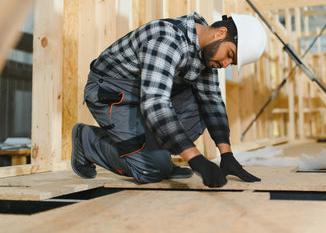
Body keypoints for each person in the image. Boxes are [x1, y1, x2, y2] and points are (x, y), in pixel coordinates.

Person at [71, 12, 267, 188]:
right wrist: (195, 159)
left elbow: (212, 102)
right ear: (219, 33)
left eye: (230, 63)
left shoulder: (204, 51)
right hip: (113, 94)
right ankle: (87, 140)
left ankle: (159, 156)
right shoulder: (167, 39)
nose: (224, 64)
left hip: (144, 93)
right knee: (151, 171)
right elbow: (155, 103)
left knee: (202, 101)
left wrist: (227, 154)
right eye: (229, 55)